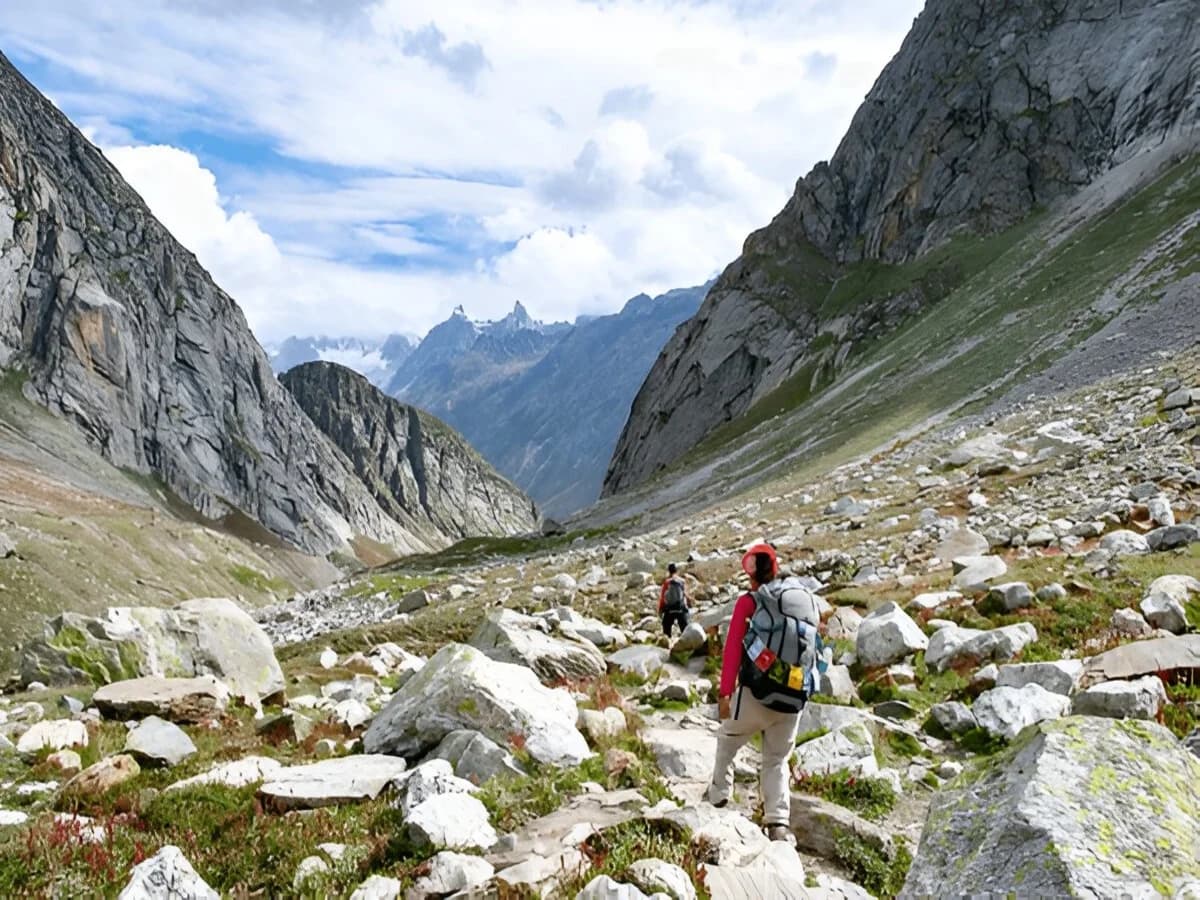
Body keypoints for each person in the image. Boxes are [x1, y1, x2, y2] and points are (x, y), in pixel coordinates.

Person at [707, 543, 822, 842]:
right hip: (794, 697)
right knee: (776, 760)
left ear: (752, 571)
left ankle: (719, 795)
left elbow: (733, 649)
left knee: (728, 739)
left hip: (756, 693)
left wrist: (724, 694)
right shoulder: (801, 601)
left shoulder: (750, 602)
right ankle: (778, 824)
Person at [658, 563, 690, 637]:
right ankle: (686, 642)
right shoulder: (682, 581)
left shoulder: (667, 582)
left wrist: (660, 609)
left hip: (669, 609)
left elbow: (663, 598)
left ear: (669, 571)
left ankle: (667, 642)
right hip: (680, 608)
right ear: (676, 571)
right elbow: (685, 594)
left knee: (666, 626)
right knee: (685, 628)